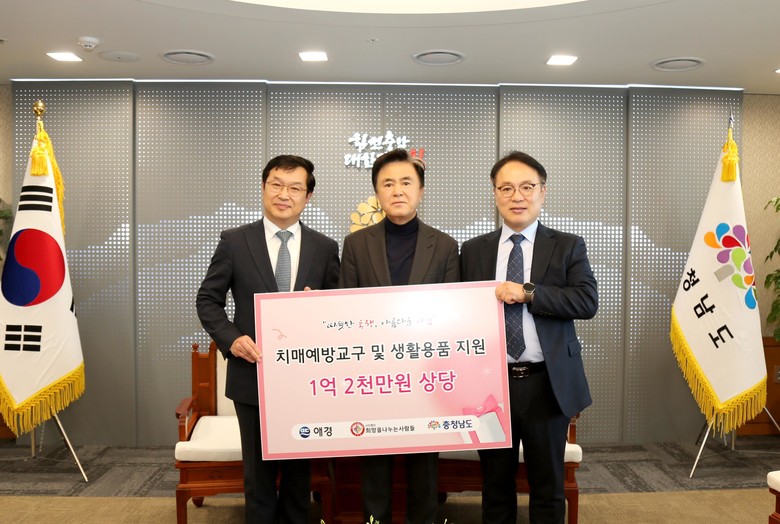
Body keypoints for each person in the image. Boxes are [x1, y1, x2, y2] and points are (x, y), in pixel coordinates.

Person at [196, 155, 340, 523]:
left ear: (308, 197)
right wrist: (232, 340)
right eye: (276, 184)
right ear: (263, 188)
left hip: (304, 383)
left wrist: (320, 309)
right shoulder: (235, 241)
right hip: (251, 375)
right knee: (258, 478)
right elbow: (208, 300)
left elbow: (339, 310)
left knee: (298, 478)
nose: (284, 194)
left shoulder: (324, 248)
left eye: (295, 188)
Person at [460, 151, 598, 524]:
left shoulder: (567, 245)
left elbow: (586, 301)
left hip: (546, 385)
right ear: (494, 194)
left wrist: (528, 292)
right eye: (506, 188)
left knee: (548, 488)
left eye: (526, 187)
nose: (517, 196)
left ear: (542, 192)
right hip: (490, 386)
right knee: (495, 487)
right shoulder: (473, 250)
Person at [339, 148, 460, 524]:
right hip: (374, 377)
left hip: (426, 378)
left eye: (406, 182)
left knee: (424, 472)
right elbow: (346, 311)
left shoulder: (444, 245)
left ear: (421, 190)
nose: (397, 190)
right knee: (374, 469)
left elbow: (452, 315)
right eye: (387, 183)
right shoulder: (356, 244)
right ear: (377, 192)